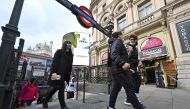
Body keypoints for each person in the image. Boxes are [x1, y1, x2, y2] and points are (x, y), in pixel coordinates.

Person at [107, 32, 144, 109]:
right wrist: (123, 63)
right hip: (120, 70)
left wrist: (128, 68)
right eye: (122, 35)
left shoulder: (113, 43)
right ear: (119, 36)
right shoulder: (118, 42)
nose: (123, 37)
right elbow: (114, 54)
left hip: (116, 70)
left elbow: (115, 58)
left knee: (115, 90)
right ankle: (139, 107)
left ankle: (111, 107)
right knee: (130, 88)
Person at [42, 41, 73, 109]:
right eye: (68, 44)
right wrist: (54, 72)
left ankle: (45, 100)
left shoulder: (70, 55)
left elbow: (69, 66)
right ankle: (63, 106)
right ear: (65, 45)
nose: (69, 46)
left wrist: (68, 76)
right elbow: (55, 62)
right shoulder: (59, 52)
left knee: (56, 88)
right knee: (61, 88)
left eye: (70, 45)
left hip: (64, 75)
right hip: (58, 73)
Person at [124, 35, 142, 105]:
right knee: (136, 81)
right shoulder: (127, 46)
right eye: (131, 39)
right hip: (129, 66)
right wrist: (130, 52)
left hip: (134, 66)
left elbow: (136, 58)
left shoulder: (135, 47)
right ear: (129, 39)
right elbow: (125, 58)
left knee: (134, 82)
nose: (132, 40)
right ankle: (132, 98)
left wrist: (139, 62)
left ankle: (129, 99)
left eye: (134, 39)